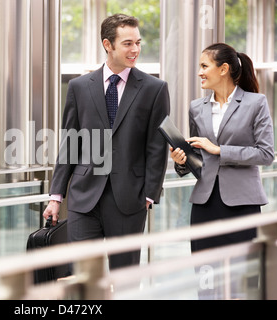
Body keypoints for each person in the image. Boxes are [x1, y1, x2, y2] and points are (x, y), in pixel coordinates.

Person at [43, 13, 170, 270]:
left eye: (138, 42)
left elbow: (157, 146)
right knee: (85, 278)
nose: (135, 49)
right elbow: (70, 143)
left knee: (125, 277)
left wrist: (149, 193)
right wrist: (56, 195)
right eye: (127, 43)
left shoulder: (154, 88)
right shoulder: (79, 87)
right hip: (83, 197)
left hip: (129, 198)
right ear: (107, 44)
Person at [170, 43, 274, 252]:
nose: (200, 72)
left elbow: (266, 154)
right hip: (204, 203)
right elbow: (198, 156)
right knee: (205, 273)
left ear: (223, 69)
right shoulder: (196, 107)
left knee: (243, 275)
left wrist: (220, 150)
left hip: (242, 203)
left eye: (204, 66)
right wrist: (181, 162)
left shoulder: (256, 103)